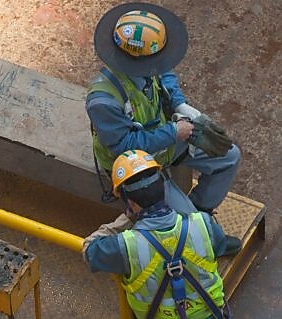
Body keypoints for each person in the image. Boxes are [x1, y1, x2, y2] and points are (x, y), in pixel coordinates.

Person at [86, 2, 239, 215]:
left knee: (229, 157)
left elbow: (165, 74)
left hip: (163, 142)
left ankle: (201, 212)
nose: (160, 65)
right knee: (185, 222)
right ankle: (191, 222)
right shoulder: (104, 101)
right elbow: (124, 147)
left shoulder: (148, 64)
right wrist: (174, 132)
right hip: (134, 167)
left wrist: (179, 104)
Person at [83, 150, 236, 319]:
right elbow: (220, 246)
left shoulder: (126, 247)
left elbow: (89, 248)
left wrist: (126, 218)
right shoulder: (204, 224)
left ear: (132, 203)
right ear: (164, 188)